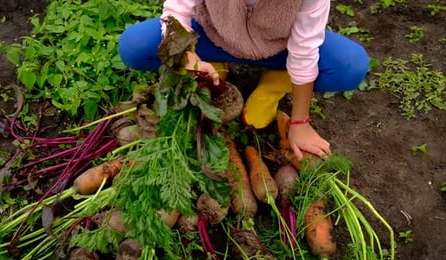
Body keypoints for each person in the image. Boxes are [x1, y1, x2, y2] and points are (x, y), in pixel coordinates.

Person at [118, 0, 369, 160]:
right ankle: (212, 67)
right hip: (214, 37)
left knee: (349, 66)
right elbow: (176, 11)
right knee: (135, 46)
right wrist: (186, 56)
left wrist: (300, 121)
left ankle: (276, 83)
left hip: (277, 48)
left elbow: (305, 51)